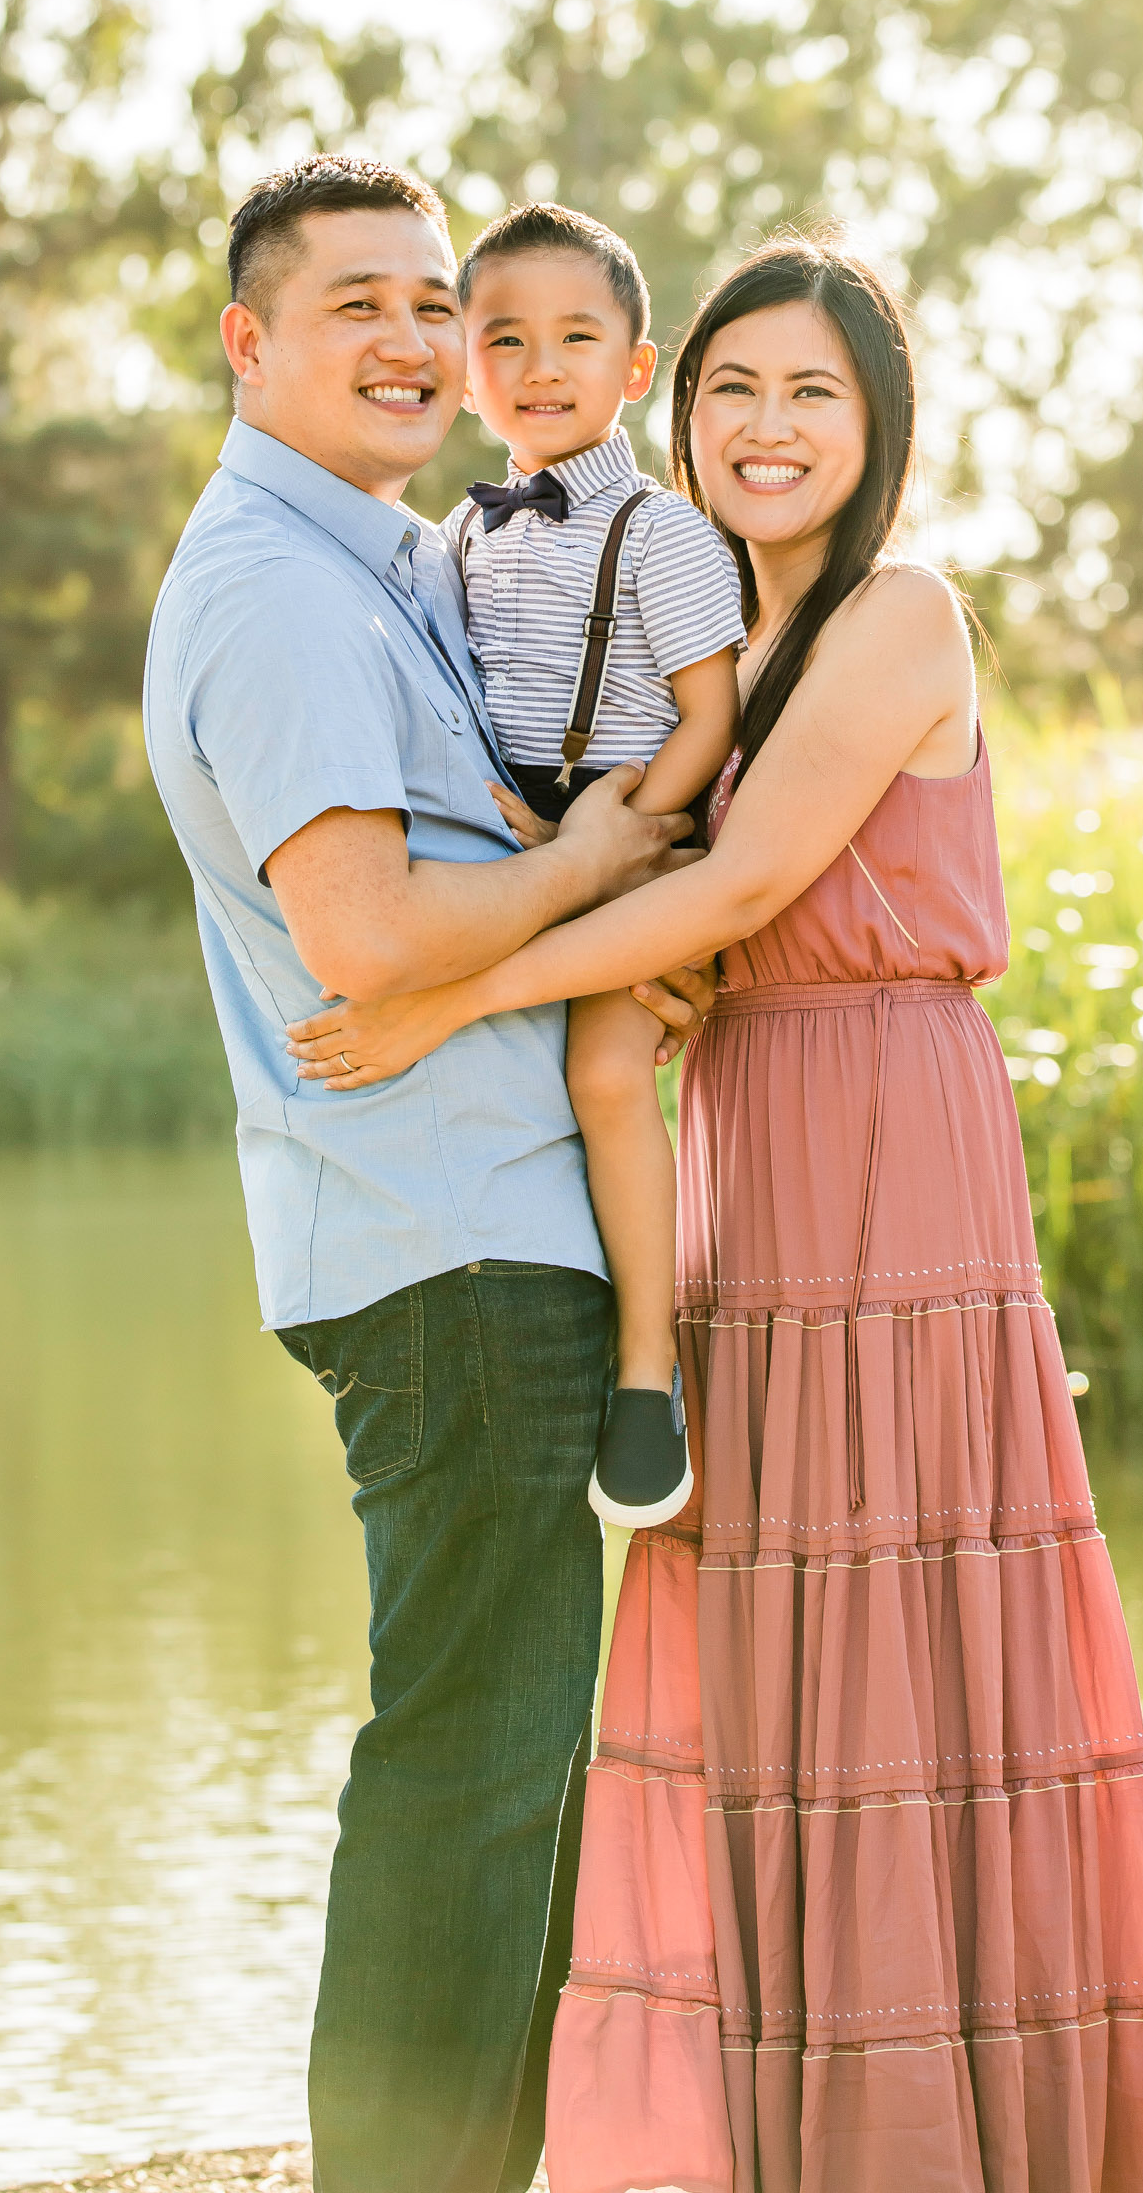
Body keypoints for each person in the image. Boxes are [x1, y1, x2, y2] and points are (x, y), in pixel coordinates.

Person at [289, 232, 1143, 2191]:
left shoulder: (902, 618)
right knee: (773, 1611)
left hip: (892, 1148)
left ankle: (952, 2110)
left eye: (811, 391)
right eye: (732, 389)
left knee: (907, 1596)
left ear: (875, 426)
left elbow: (726, 896)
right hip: (746, 1151)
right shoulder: (707, 637)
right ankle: (800, 2105)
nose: (765, 425)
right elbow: (652, 879)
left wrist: (450, 989)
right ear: (679, 410)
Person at [141, 152, 711, 2193]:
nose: (406, 340)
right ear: (249, 342)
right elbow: (370, 935)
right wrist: (590, 863)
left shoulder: (377, 562)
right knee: (473, 1769)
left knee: (495, 1762)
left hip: (465, 1229)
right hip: (443, 1246)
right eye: (353, 305)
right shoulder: (284, 595)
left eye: (422, 303)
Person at [455, 202, 745, 1526]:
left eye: (576, 337)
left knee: (606, 1070)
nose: (539, 366)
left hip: (637, 833)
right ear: (466, 370)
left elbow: (711, 712)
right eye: (503, 339)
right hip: (522, 840)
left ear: (637, 366)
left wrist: (623, 845)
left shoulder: (666, 532)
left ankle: (647, 1373)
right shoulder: (460, 538)